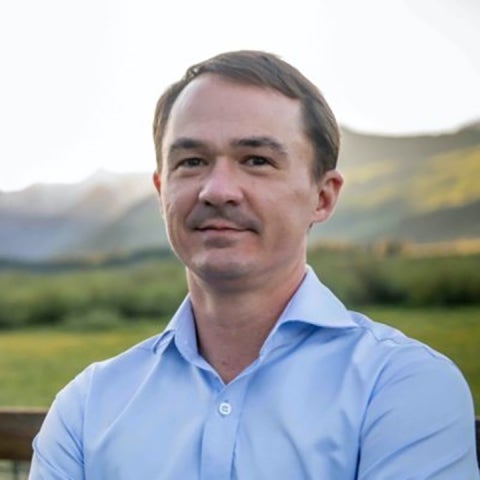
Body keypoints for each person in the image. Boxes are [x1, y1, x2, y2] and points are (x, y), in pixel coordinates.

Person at [29, 50, 479, 479]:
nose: (217, 189)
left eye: (257, 160)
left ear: (322, 197)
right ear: (161, 189)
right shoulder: (87, 408)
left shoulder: (404, 388)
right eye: (192, 162)